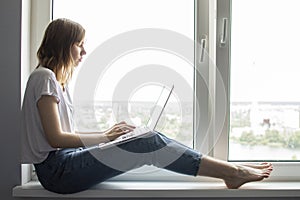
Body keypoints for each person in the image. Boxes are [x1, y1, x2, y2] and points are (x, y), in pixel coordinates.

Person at [21, 18, 273, 194]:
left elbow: (59, 136)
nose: (83, 52)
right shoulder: (44, 77)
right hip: (58, 171)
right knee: (148, 142)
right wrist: (106, 137)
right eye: (79, 44)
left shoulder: (54, 81)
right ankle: (232, 172)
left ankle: (231, 171)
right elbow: (56, 138)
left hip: (64, 164)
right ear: (63, 45)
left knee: (148, 137)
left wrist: (110, 138)